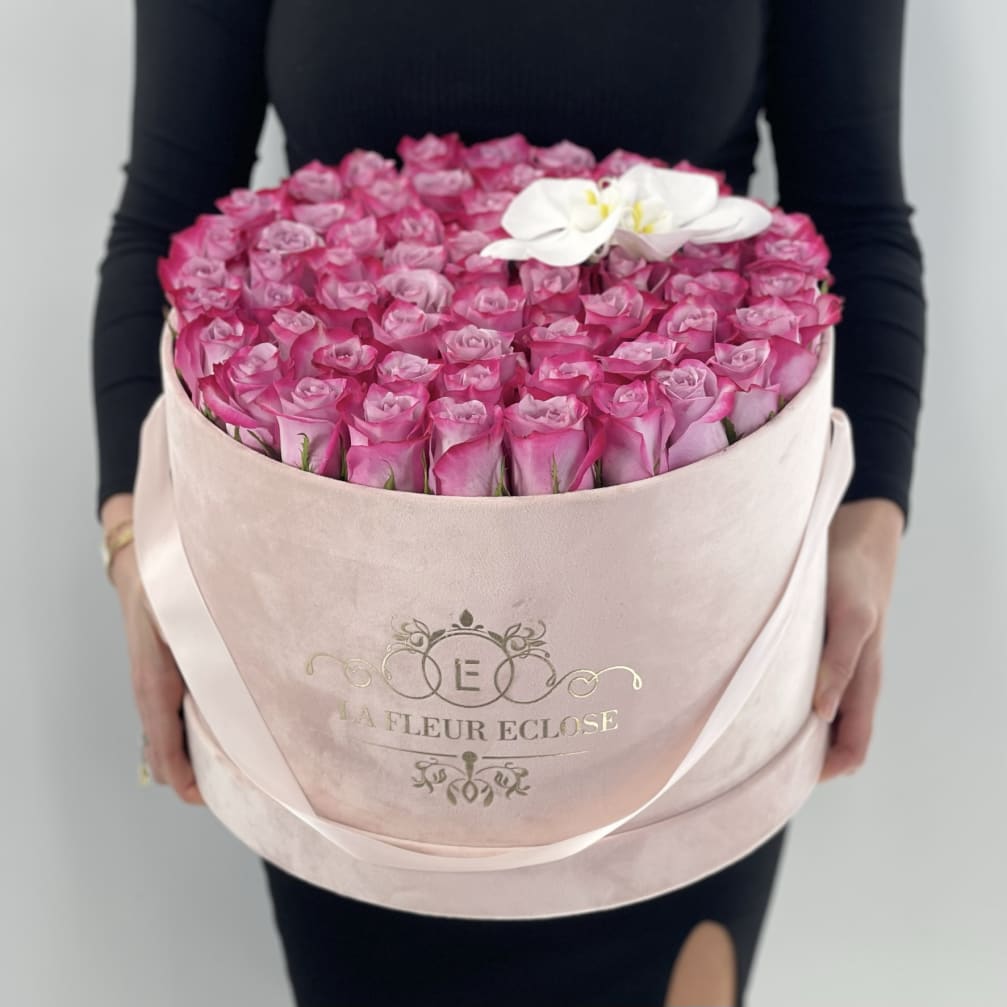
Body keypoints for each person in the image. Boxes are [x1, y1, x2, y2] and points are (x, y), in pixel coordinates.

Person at [91, 2, 924, 1004]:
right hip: (349, 685)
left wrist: (865, 526)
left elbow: (857, 211)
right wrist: (138, 541)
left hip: (682, 658)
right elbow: (167, 204)